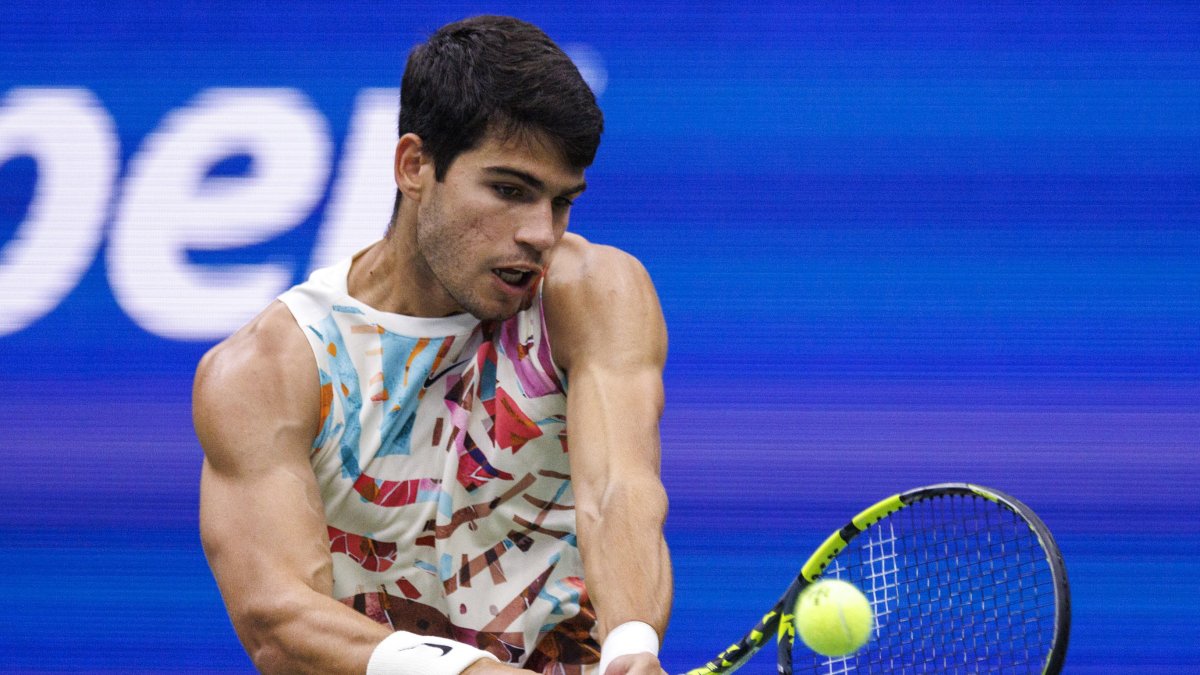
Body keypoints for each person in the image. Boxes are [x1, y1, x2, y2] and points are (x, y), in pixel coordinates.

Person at [193, 15, 672, 675]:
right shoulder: (273, 368)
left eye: (561, 202)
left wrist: (631, 647)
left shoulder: (589, 295)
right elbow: (280, 620)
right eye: (509, 190)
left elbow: (617, 489)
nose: (540, 233)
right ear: (414, 166)